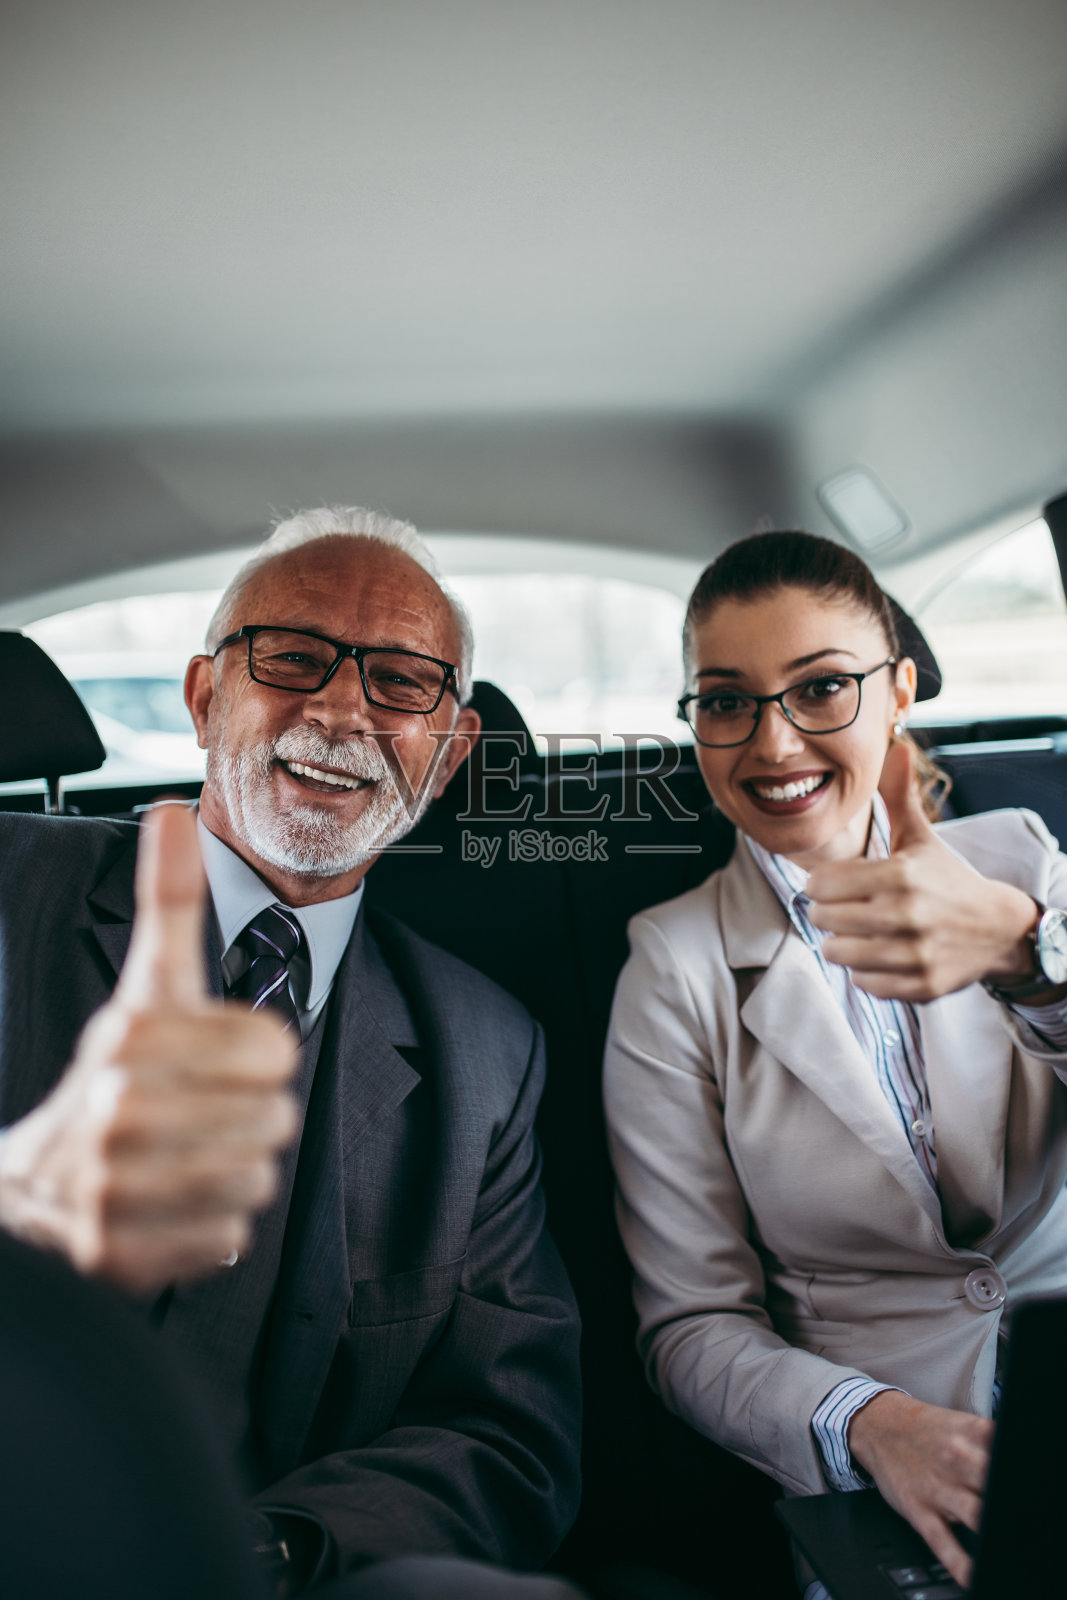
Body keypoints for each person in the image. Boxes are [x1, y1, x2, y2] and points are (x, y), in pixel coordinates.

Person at [0, 506, 583, 1599]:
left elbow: (506, 1433)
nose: (338, 707)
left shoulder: (486, 1053)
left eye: (402, 681)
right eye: (294, 658)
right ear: (203, 695)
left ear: (449, 753)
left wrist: (272, 1555)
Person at [603, 530, 1067, 1596]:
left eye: (819, 688)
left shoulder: (1021, 867)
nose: (770, 744)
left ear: (897, 689)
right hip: (887, 1493)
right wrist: (873, 1426)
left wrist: (1025, 958)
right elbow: (688, 1328)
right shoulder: (671, 967)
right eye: (725, 701)